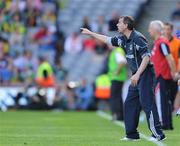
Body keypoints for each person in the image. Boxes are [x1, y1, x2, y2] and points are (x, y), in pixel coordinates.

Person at [81, 16, 165, 141]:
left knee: (147, 103)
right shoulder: (123, 39)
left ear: (126, 25)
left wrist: (137, 74)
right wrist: (91, 33)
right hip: (136, 75)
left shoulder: (138, 38)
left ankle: (158, 134)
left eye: (120, 23)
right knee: (129, 103)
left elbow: (147, 57)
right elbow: (107, 39)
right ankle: (132, 135)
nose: (117, 25)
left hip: (145, 74)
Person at [149, 20, 177, 130]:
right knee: (165, 101)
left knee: (163, 101)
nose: (149, 31)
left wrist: (174, 73)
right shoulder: (158, 43)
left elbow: (169, 58)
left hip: (163, 76)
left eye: (150, 28)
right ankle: (167, 124)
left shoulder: (162, 43)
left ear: (155, 30)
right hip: (160, 76)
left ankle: (165, 124)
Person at [108, 46, 127, 121]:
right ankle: (120, 115)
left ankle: (116, 114)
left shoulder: (117, 51)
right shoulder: (117, 51)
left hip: (117, 78)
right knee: (118, 96)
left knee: (114, 97)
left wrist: (117, 71)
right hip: (118, 78)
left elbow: (122, 61)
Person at [164, 22, 180, 108]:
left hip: (174, 73)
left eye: (168, 29)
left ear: (172, 30)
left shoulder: (177, 43)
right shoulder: (160, 42)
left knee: (174, 93)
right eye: (165, 29)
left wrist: (177, 72)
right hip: (163, 73)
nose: (166, 31)